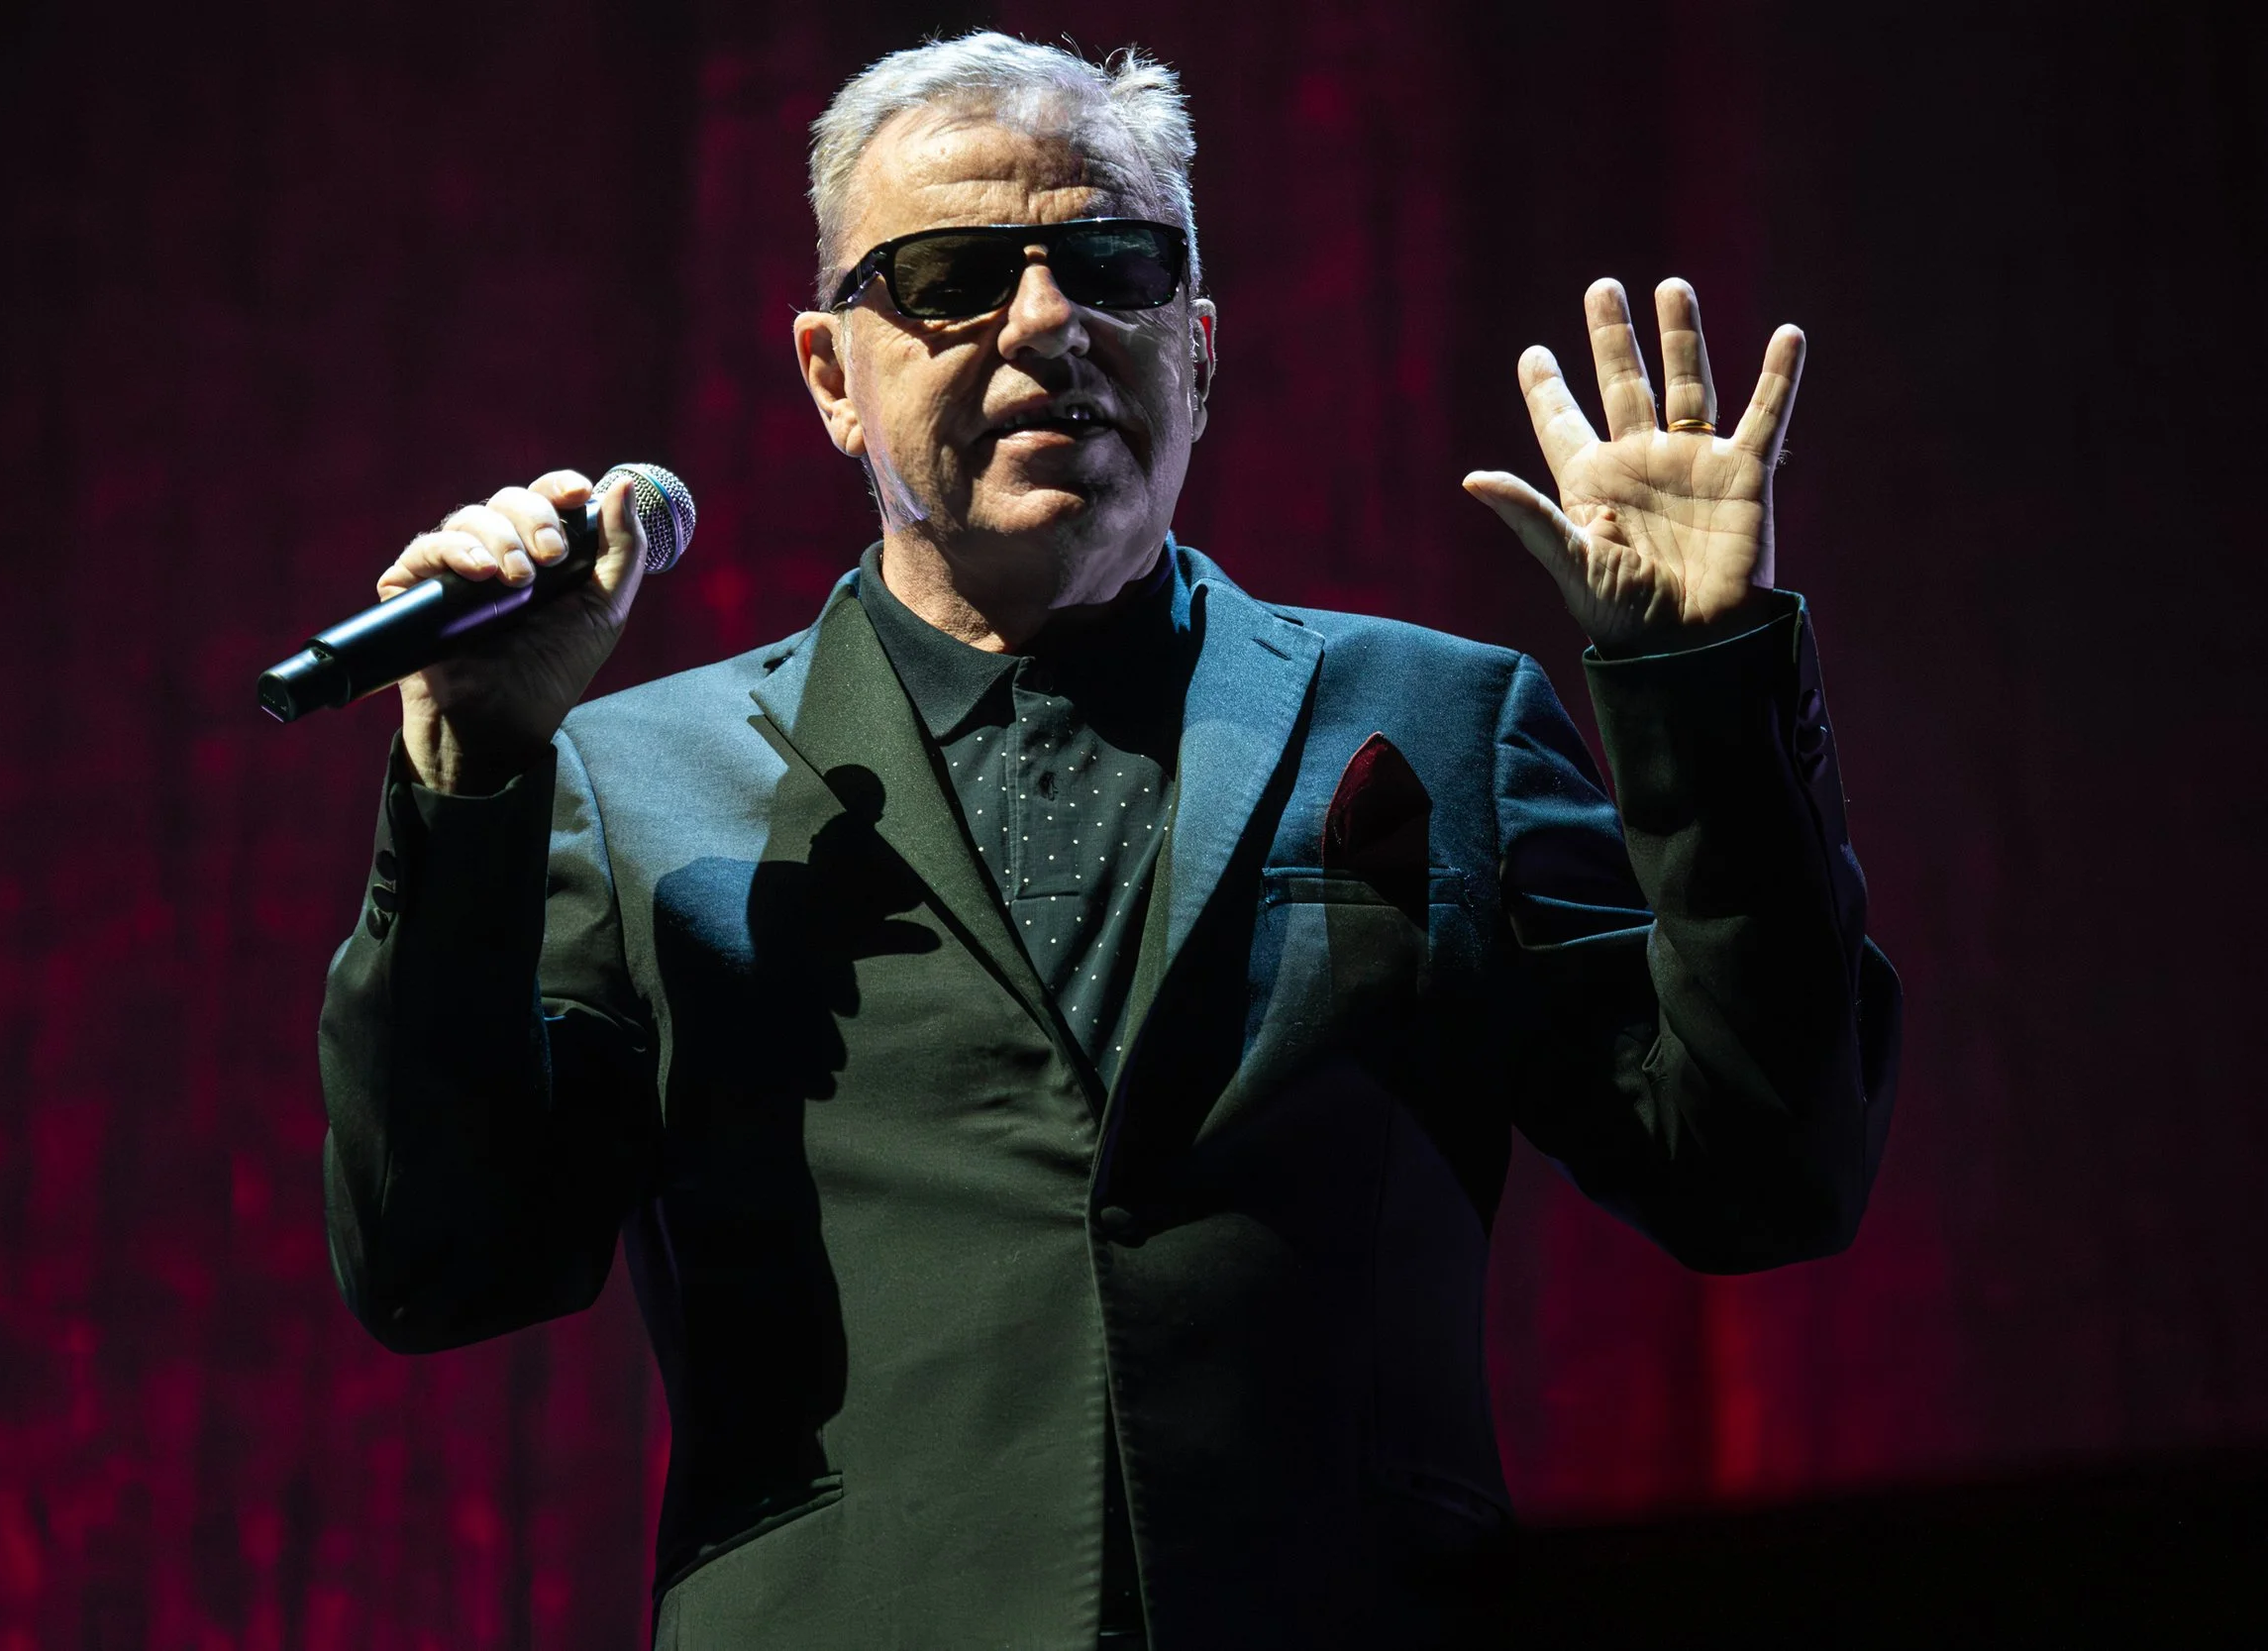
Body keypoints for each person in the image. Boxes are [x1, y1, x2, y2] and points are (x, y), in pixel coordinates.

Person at [317, 31, 1900, 1650]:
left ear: (1198, 349)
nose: (1045, 324)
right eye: (948, 278)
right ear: (830, 376)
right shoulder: (638, 783)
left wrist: (1703, 679)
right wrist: (467, 769)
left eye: (1113, 266)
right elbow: (440, 1261)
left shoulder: (1440, 722)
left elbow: (1767, 1171)